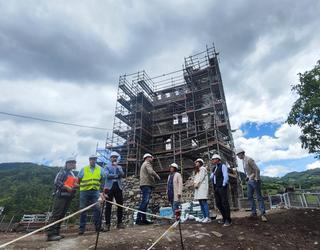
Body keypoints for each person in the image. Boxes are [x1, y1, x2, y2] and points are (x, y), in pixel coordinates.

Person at [47, 157, 78, 241]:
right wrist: (66, 187)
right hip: (60, 196)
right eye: (71, 163)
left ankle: (56, 233)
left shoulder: (71, 173)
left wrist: (75, 186)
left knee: (61, 215)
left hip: (67, 197)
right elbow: (57, 182)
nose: (72, 164)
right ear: (67, 164)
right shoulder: (62, 172)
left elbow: (71, 184)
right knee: (56, 214)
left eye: (74, 163)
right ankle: (50, 234)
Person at [236, 148, 267, 222]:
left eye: (238, 155)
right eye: (237, 155)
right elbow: (249, 171)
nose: (238, 156)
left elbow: (257, 169)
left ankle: (263, 213)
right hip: (250, 180)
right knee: (249, 196)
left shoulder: (249, 159)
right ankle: (254, 212)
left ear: (242, 153)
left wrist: (256, 178)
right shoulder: (243, 161)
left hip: (255, 181)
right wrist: (247, 177)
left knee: (258, 196)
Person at [78, 154, 105, 235]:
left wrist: (101, 191)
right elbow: (78, 180)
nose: (93, 160)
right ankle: (81, 229)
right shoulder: (84, 169)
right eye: (91, 159)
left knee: (97, 209)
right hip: (84, 191)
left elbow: (102, 180)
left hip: (95, 191)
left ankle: (98, 227)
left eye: (94, 159)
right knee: (83, 210)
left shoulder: (100, 169)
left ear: (96, 160)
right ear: (89, 160)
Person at [136, 153, 160, 225]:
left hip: (145, 185)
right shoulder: (147, 163)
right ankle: (138, 219)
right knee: (144, 202)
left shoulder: (144, 164)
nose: (152, 158)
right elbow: (151, 172)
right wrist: (157, 176)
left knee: (145, 203)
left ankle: (143, 219)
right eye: (151, 157)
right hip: (146, 185)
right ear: (147, 158)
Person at [104, 151, 125, 231]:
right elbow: (106, 175)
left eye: (115, 157)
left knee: (120, 204)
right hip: (109, 188)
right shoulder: (106, 166)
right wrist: (116, 176)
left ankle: (119, 223)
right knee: (108, 205)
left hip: (118, 187)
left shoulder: (119, 167)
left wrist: (117, 169)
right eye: (113, 157)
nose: (114, 158)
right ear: (110, 158)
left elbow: (122, 174)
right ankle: (107, 224)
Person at [210, 154, 232, 227]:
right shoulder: (214, 168)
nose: (212, 160)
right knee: (218, 203)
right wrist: (212, 175)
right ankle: (224, 217)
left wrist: (223, 184)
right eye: (212, 159)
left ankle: (228, 220)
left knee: (224, 202)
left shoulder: (222, 166)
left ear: (218, 159)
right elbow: (211, 177)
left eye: (214, 159)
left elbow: (225, 176)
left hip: (222, 186)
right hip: (216, 187)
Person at [193, 158, 210, 223]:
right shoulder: (197, 170)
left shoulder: (203, 168)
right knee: (200, 202)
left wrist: (197, 183)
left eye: (197, 162)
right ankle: (204, 216)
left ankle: (207, 217)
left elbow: (201, 177)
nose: (196, 163)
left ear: (200, 163)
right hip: (198, 187)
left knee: (204, 202)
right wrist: (194, 183)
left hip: (202, 187)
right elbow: (196, 178)